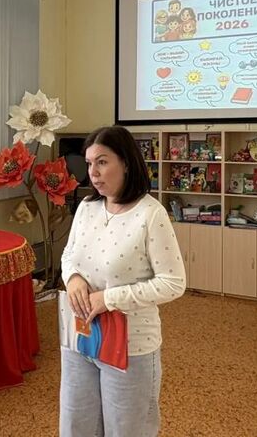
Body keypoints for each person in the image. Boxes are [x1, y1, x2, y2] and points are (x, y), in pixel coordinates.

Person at [60, 125, 186, 437]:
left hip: (130, 346)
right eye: (89, 163)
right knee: (76, 426)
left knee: (126, 430)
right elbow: (69, 255)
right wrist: (72, 278)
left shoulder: (150, 214)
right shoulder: (87, 208)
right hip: (80, 338)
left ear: (126, 163)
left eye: (102, 162)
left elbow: (173, 282)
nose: (93, 172)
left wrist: (108, 299)